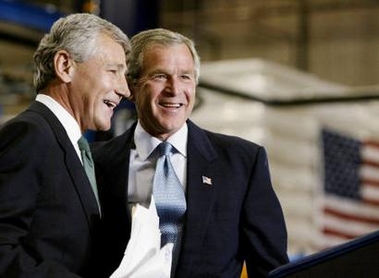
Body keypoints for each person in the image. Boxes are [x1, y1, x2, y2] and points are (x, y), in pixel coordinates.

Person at [92, 28, 289, 277]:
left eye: (185, 77)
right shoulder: (95, 163)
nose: (174, 89)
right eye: (161, 76)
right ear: (132, 85)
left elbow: (272, 269)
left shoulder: (242, 163)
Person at [0, 13, 130, 277]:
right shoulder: (29, 135)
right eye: (113, 71)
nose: (125, 89)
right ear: (65, 66)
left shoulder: (74, 148)